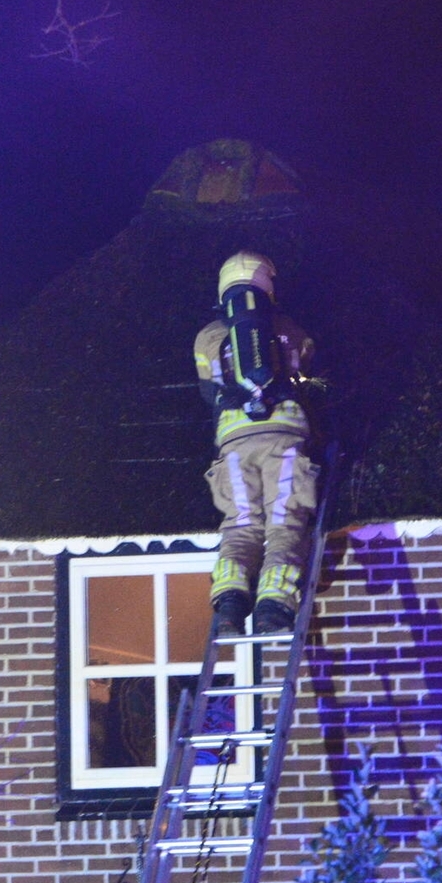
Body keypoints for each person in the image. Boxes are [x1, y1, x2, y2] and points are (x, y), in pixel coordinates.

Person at [193, 251, 319, 638]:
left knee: (241, 525)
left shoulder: (208, 338)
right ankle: (273, 610)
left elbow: (206, 391)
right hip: (285, 435)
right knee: (284, 522)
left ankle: (230, 608)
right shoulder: (292, 331)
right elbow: (309, 380)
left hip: (234, 442)